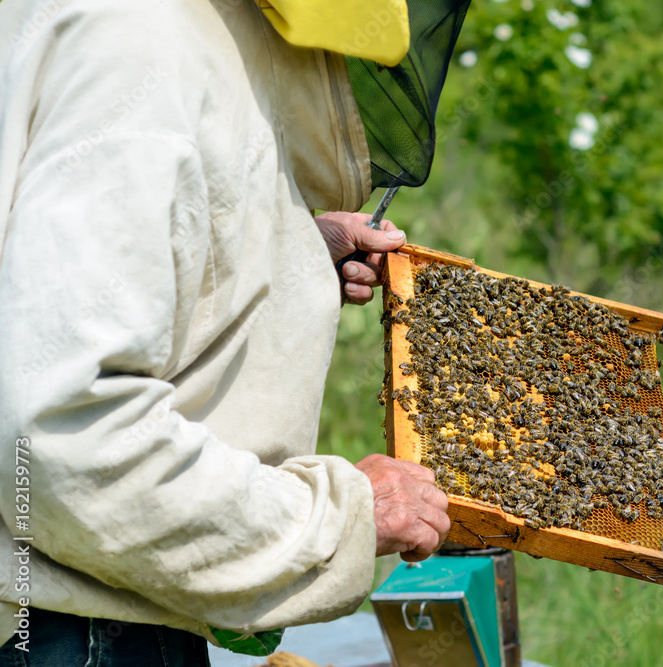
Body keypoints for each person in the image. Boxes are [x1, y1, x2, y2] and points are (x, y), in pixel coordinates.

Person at [0, 0, 451, 663]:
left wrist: (280, 248)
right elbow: (61, 435)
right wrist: (346, 517)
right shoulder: (145, 44)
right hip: (67, 626)